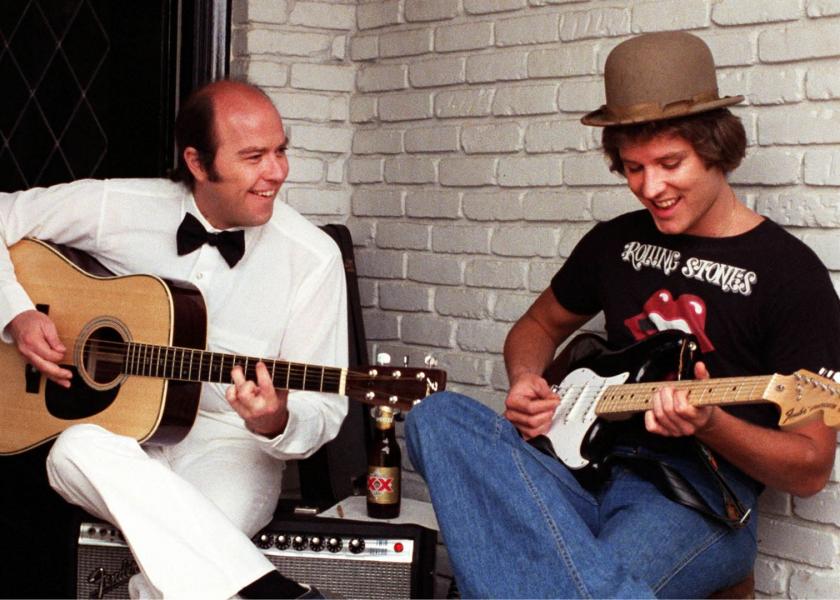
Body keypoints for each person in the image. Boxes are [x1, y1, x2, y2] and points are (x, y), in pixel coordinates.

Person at [405, 31, 840, 598]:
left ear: (717, 150)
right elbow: (537, 327)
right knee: (436, 416)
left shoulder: (790, 274)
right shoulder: (614, 243)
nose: (651, 188)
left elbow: (810, 467)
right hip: (575, 469)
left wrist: (712, 423)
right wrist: (526, 379)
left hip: (694, 498)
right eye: (633, 168)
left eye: (670, 163)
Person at [0, 80, 348, 599]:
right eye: (254, 156)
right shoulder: (121, 205)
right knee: (73, 448)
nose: (277, 172)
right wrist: (18, 313)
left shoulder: (313, 257)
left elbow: (325, 408)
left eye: (280, 151)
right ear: (197, 162)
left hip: (230, 445)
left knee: (189, 575)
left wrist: (275, 419)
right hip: (120, 438)